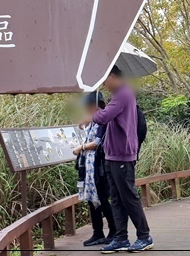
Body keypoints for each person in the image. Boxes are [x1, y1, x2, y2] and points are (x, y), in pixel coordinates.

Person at [87, 65, 153, 253]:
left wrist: (93, 111)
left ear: (113, 76)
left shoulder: (124, 94)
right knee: (116, 198)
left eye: (105, 79)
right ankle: (121, 238)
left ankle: (144, 236)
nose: (104, 84)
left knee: (129, 197)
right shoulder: (119, 95)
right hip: (113, 155)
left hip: (122, 155)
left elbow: (104, 116)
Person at [73, 92, 116, 246]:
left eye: (87, 107)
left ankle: (114, 231)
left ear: (93, 106)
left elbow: (97, 142)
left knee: (103, 199)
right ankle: (97, 232)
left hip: (99, 166)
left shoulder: (104, 119)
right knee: (92, 200)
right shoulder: (95, 120)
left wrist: (81, 147)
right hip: (89, 166)